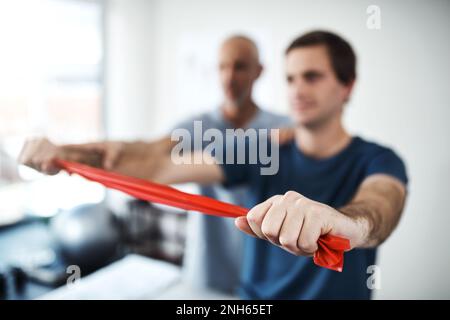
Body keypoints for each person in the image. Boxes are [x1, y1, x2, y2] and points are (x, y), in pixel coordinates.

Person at [19, 30, 408, 299]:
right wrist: (65, 153)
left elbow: (379, 209)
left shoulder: (377, 158)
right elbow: (153, 162)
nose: (298, 90)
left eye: (312, 76)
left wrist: (344, 224)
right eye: (291, 78)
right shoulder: (259, 150)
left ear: (348, 85)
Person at [18, 35, 292, 295]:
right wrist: (63, 153)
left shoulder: (283, 130)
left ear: (258, 71)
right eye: (222, 67)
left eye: (240, 67)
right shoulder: (197, 127)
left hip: (269, 271)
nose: (229, 77)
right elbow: (145, 154)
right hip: (208, 269)